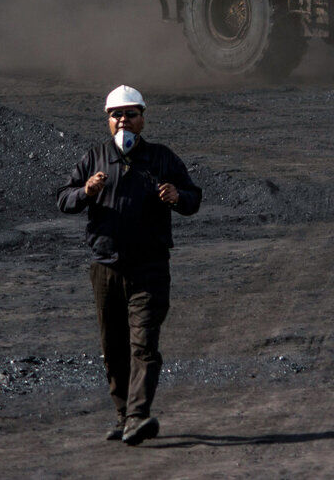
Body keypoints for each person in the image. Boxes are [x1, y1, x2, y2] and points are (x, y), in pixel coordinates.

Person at [55, 85, 202, 446]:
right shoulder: (94, 158)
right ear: (107, 120)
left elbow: (194, 197)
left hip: (149, 268)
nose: (123, 120)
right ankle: (124, 416)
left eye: (130, 114)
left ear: (142, 118)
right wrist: (85, 192)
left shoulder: (163, 158)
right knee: (114, 347)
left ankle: (138, 415)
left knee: (144, 344)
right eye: (116, 115)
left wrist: (177, 197)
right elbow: (63, 199)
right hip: (105, 269)